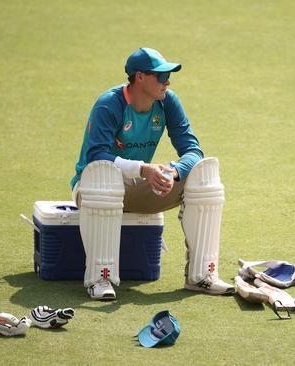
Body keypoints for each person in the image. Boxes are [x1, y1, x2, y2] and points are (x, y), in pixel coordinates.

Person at [70, 47, 234, 300]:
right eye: (160, 75)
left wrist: (175, 173)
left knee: (205, 173)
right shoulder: (110, 104)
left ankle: (202, 276)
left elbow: (193, 150)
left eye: (168, 75)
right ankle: (100, 278)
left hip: (137, 188)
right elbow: (96, 156)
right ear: (140, 77)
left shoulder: (167, 101)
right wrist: (144, 169)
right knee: (106, 177)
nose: (167, 81)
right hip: (92, 189)